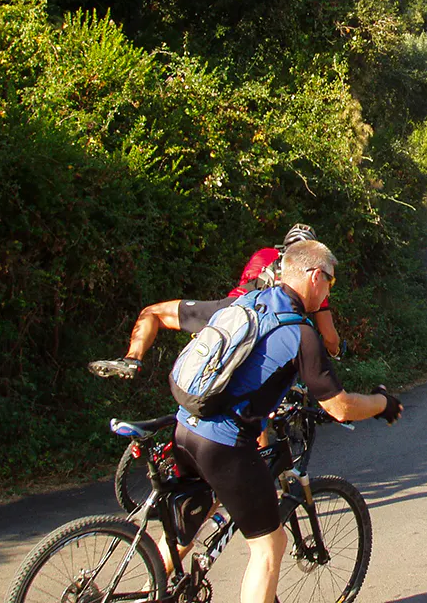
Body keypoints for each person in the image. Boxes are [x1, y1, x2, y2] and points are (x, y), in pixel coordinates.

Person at [170, 240, 402, 603]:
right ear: (314, 276)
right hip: (223, 445)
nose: (328, 291)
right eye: (330, 282)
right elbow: (340, 407)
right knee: (270, 545)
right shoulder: (301, 332)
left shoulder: (247, 300)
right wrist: (382, 404)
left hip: (185, 425)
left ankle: (153, 585)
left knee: (184, 531)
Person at [88, 223, 341, 379]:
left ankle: (133, 359)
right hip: (269, 330)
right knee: (257, 398)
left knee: (153, 312)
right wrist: (336, 351)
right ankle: (262, 450)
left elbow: (245, 284)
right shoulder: (313, 277)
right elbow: (329, 335)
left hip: (228, 312)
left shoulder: (265, 254)